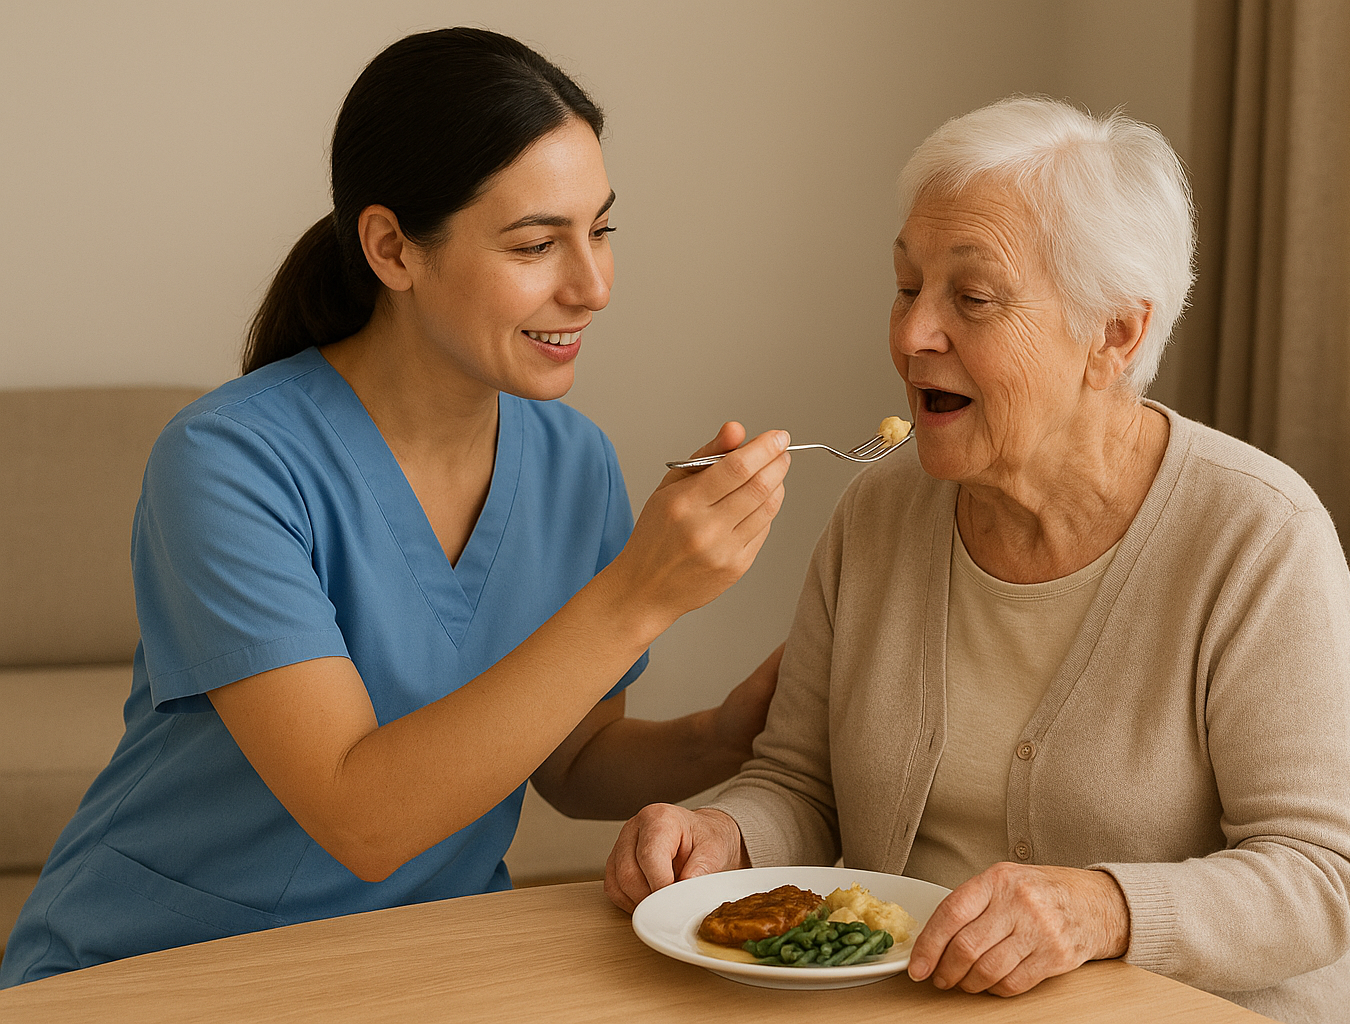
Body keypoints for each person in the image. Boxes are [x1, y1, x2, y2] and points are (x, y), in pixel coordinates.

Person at [1, 27, 793, 986]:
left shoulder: (572, 460)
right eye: (539, 243)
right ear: (392, 249)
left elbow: (573, 759)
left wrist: (738, 731)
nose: (592, 285)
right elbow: (360, 816)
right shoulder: (227, 462)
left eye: (603, 229)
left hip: (415, 966)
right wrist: (641, 592)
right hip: (157, 968)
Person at [604, 96, 1350, 1024]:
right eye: (906, 286)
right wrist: (723, 836)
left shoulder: (1258, 534)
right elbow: (800, 783)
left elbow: (1322, 879)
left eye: (971, 299)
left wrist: (1101, 908)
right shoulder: (879, 513)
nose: (910, 336)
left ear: (1115, 335)